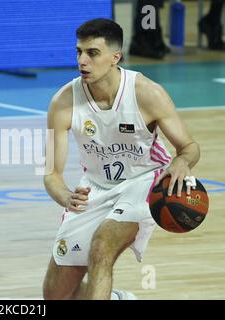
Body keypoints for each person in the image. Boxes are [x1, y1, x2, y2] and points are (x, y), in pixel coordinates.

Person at [42, 18, 200, 300]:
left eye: (92, 53)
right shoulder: (62, 103)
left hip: (143, 183)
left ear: (115, 57)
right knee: (56, 296)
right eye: (78, 52)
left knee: (101, 248)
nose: (82, 60)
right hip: (94, 188)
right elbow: (51, 174)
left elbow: (189, 146)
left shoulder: (147, 93)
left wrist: (182, 161)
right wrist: (65, 196)